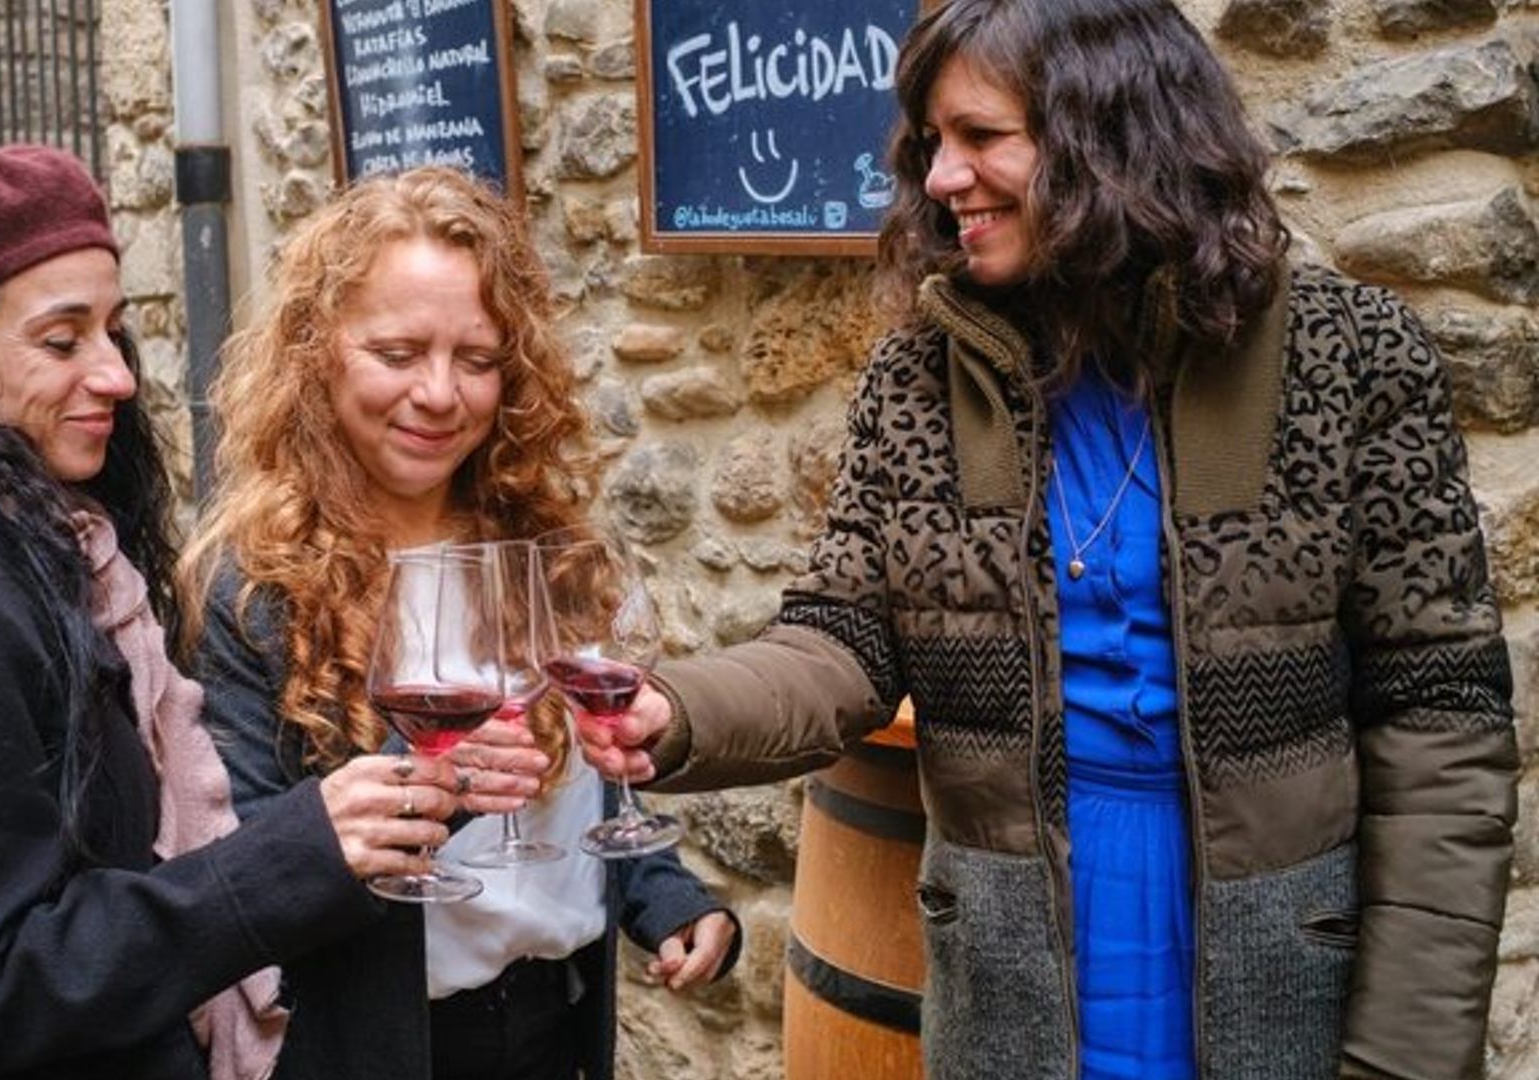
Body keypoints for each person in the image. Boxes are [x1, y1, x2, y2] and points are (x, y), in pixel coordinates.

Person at [579, 3, 1519, 1080]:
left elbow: (1440, 717)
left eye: (982, 137)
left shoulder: (1349, 354)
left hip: (1277, 972)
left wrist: (1403, 1060)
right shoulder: (920, 381)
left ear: (1114, 136)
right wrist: (680, 709)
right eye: (932, 144)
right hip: (1013, 982)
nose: (941, 178)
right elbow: (841, 638)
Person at [0, 145, 534, 1080]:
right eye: (60, 339)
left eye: (112, 331)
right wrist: (301, 848)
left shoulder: (57, 559)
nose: (116, 375)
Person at [179, 164, 740, 1080]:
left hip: (557, 1034)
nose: (440, 394)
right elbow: (245, 864)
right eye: (397, 354)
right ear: (319, 352)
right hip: (379, 1050)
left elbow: (588, 794)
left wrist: (667, 895)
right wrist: (433, 794)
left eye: (477, 360)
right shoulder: (254, 587)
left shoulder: (544, 552)